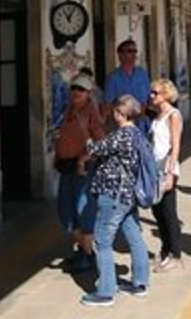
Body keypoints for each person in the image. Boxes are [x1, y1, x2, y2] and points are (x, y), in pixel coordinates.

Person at [81, 95, 150, 307]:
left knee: (102, 240)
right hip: (128, 196)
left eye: (115, 111)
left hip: (112, 195)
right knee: (133, 235)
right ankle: (140, 282)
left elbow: (95, 149)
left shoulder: (121, 136)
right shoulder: (138, 134)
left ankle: (106, 292)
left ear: (120, 113)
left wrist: (87, 136)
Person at [54, 74, 105, 273]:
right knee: (65, 210)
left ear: (89, 93)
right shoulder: (69, 109)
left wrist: (84, 158)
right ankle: (85, 251)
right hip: (66, 166)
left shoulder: (90, 113)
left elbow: (101, 141)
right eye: (74, 88)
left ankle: (86, 254)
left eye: (81, 89)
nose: (76, 92)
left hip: (83, 169)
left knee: (82, 209)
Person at [148, 79, 184, 272]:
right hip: (155, 166)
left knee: (169, 212)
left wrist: (170, 171)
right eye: (152, 92)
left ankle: (176, 254)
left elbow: (175, 144)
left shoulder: (173, 115)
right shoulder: (157, 115)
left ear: (165, 94)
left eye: (156, 93)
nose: (152, 96)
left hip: (166, 167)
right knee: (157, 211)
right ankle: (165, 248)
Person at [104, 39, 151, 133]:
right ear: (120, 55)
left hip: (141, 126)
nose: (134, 54)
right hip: (122, 127)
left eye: (135, 51)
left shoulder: (142, 75)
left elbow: (148, 99)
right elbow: (107, 105)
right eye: (130, 51)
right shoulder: (113, 78)